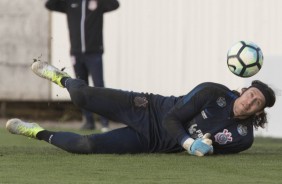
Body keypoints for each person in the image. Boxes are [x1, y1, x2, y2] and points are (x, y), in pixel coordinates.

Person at [6, 61, 276, 156]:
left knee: (84, 146)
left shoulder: (243, 137)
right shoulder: (212, 92)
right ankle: (60, 77)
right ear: (243, 90)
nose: (250, 101)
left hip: (150, 141)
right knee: (81, 97)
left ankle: (34, 131)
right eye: (251, 94)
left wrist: (205, 147)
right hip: (147, 108)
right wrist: (189, 144)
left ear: (257, 112)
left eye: (256, 103)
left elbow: (214, 148)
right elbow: (172, 118)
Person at [45, 0, 120, 131]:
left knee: (99, 86)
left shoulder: (98, 3)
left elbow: (115, 4)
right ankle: (89, 121)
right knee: (81, 87)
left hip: (94, 53)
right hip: (76, 53)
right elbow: (49, 4)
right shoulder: (70, 3)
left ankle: (104, 122)